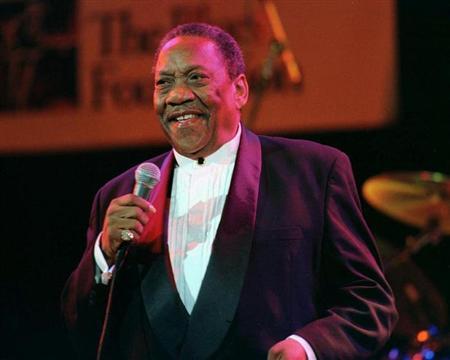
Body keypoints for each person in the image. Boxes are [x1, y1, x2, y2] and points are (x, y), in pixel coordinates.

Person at [62, 23, 397, 359]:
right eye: (164, 83)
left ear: (239, 90)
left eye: (196, 78)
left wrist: (308, 348)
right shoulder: (118, 194)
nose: (177, 95)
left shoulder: (314, 172)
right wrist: (103, 253)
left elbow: (370, 302)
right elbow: (80, 324)